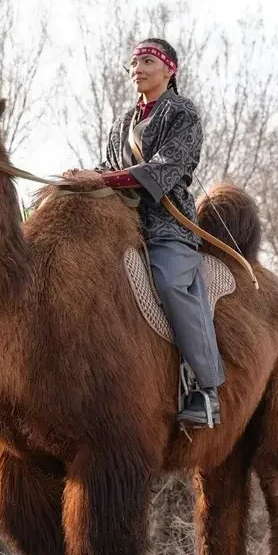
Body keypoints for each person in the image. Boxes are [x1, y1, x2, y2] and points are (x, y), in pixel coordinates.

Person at [63, 38, 225, 428]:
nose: (137, 68)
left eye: (147, 61)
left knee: (170, 283)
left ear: (169, 70)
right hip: (119, 225)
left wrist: (99, 176)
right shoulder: (122, 123)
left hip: (167, 227)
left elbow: (164, 170)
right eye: (133, 62)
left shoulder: (181, 113)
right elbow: (107, 167)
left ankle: (206, 389)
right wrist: (79, 180)